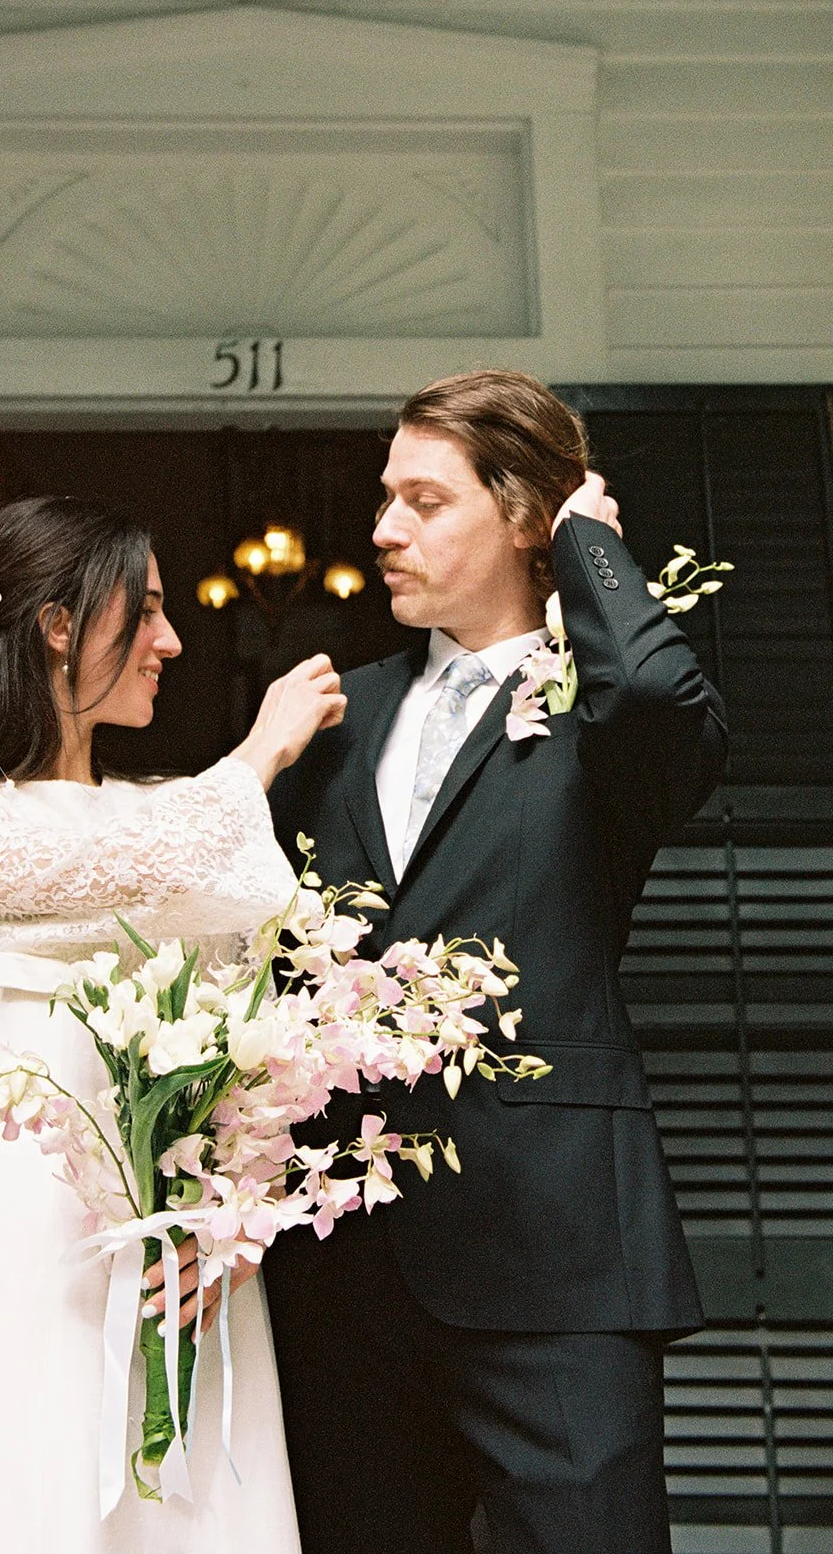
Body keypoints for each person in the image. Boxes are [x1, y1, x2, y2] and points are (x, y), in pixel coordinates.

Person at [263, 370, 728, 1554]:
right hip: (345, 1268)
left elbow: (673, 709)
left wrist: (591, 548)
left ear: (522, 515)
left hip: (556, 1259)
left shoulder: (605, 704)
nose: (382, 530)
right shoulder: (332, 715)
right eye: (384, 499)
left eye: (424, 501)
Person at [0, 495, 345, 1554]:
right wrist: (259, 753)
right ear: (58, 625)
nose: (173, 643)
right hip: (34, 1223)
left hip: (186, 1241)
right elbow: (123, 875)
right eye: (150, 612)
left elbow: (251, 1033)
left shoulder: (170, 806)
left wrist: (233, 1218)